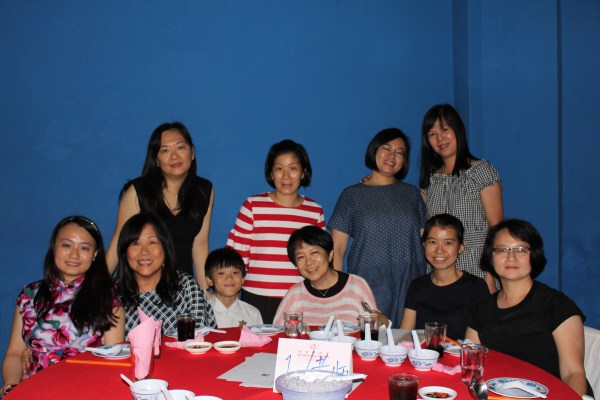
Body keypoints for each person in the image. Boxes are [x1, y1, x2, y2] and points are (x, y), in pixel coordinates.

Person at [466, 219, 593, 397]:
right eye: (502, 250)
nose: (511, 257)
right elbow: (472, 368)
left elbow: (573, 374)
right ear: (491, 257)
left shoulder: (557, 305)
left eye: (520, 250)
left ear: (533, 255)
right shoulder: (481, 309)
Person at [1, 216, 124, 395]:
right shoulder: (30, 294)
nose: (74, 254)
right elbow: (14, 353)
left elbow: (113, 359)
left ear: (95, 254)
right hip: (33, 391)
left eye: (84, 248)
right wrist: (11, 387)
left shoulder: (107, 297)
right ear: (54, 248)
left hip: (86, 391)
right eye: (67, 245)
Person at [329, 128, 427, 327]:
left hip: (410, 280)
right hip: (368, 281)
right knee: (369, 339)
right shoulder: (351, 195)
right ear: (374, 150)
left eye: (399, 152)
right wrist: (337, 293)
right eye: (386, 148)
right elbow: (337, 250)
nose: (392, 156)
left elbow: (425, 240)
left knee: (407, 339)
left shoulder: (412, 194)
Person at [227, 139, 325, 324]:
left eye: (293, 168)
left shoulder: (314, 211)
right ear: (271, 174)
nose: (286, 176)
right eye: (279, 169)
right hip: (256, 298)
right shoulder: (252, 206)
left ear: (303, 172)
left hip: (299, 298)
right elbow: (236, 258)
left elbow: (320, 260)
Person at [107, 122, 214, 287]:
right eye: (165, 150)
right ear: (156, 160)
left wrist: (205, 291)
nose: (174, 156)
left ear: (192, 153)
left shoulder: (204, 190)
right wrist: (95, 287)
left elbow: (200, 244)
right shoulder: (138, 192)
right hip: (143, 287)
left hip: (183, 288)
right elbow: (119, 242)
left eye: (180, 147)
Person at [420, 104, 503, 292]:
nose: (440, 138)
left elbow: (496, 227)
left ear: (458, 130)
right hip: (439, 270)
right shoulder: (430, 179)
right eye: (432, 134)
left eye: (445, 129)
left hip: (476, 267)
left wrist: (490, 274)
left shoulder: (480, 171)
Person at [116, 213, 216, 335]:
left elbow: (198, 340)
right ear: (125, 252)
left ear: (165, 248)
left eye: (152, 242)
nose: (144, 251)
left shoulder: (186, 287)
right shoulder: (112, 294)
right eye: (136, 243)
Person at [273, 226, 386, 326]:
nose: (309, 262)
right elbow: (277, 332)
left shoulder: (356, 285)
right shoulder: (295, 294)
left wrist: (380, 320)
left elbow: (379, 324)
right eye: (301, 257)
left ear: (330, 255)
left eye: (314, 253)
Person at [400, 214, 489, 339]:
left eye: (448, 243)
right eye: (432, 242)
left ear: (461, 247)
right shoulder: (417, 286)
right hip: (423, 351)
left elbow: (477, 343)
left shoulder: (476, 287)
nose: (439, 250)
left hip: (461, 351)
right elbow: (404, 336)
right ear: (424, 245)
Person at [204, 247, 263, 328]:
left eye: (235, 273)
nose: (229, 278)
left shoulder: (252, 314)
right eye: (221, 273)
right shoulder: (202, 312)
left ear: (242, 279)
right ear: (210, 280)